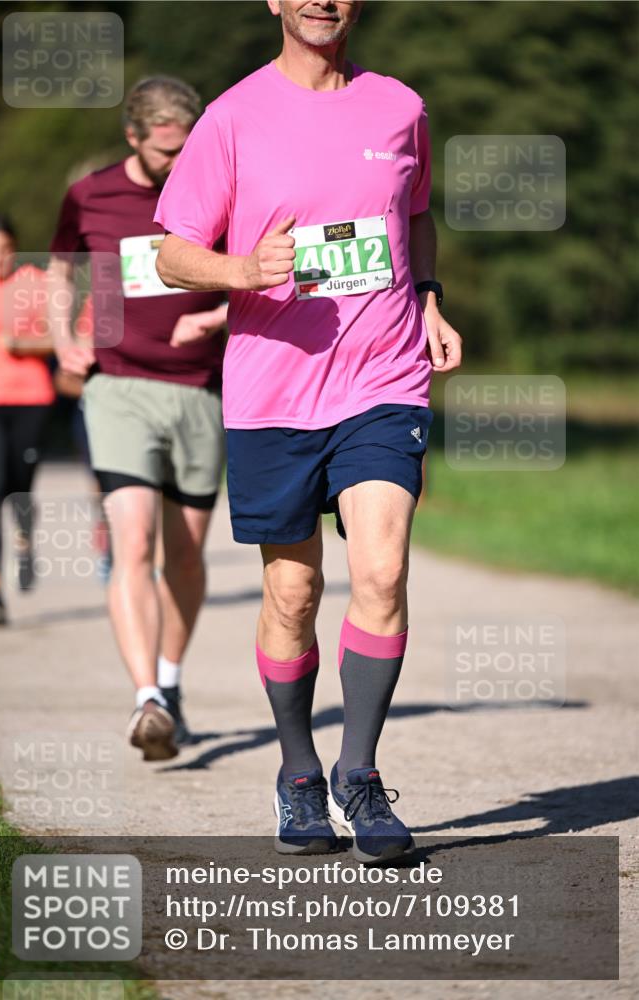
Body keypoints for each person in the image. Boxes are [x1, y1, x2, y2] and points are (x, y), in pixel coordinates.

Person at [155, 0, 463, 861]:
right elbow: (170, 249)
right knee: (292, 595)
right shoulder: (233, 116)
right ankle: (298, 773)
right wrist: (242, 269)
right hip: (274, 392)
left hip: (383, 378)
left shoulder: (399, 106)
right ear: (276, 1)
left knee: (383, 568)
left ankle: (358, 776)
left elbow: (415, 215)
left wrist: (431, 300)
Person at [49, 77, 228, 761]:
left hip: (201, 390)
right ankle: (145, 696)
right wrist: (66, 334)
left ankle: (173, 682)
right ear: (133, 137)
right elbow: (61, 268)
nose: (175, 168)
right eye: (162, 156)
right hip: (117, 385)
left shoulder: (218, 191)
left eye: (186, 152)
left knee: (184, 554)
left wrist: (218, 313)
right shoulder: (89, 194)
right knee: (132, 543)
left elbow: (259, 272)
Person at [0, 214, 56, 625]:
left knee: (19, 488)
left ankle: (24, 540)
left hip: (30, 398)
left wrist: (24, 345)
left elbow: (58, 337)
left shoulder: (32, 283)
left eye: (5, 249)